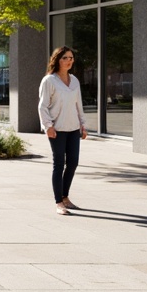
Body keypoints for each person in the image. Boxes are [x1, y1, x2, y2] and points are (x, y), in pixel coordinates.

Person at [40, 46, 87, 216]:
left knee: (73, 162)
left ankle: (65, 196)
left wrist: (83, 124)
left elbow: (78, 104)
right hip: (57, 129)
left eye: (71, 58)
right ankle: (59, 202)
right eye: (65, 58)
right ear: (57, 60)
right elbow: (42, 106)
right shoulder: (49, 81)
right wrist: (48, 126)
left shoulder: (74, 80)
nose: (69, 61)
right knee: (59, 164)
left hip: (74, 128)